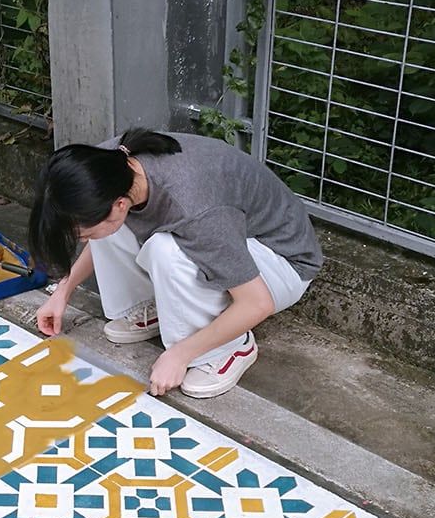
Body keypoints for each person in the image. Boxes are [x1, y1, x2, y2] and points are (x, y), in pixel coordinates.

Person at [30, 129, 323, 399]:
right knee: (130, 233)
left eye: (87, 234)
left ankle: (230, 348)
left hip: (282, 264)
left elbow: (257, 303)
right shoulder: (109, 164)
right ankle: (163, 308)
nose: (85, 242)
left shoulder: (195, 209)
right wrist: (62, 293)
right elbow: (104, 229)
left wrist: (180, 355)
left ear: (119, 204)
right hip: (228, 240)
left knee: (165, 250)